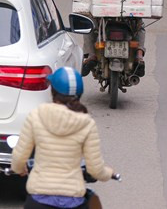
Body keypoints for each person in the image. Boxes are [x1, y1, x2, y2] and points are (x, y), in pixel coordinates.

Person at [11, 67, 117, 209]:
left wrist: (19, 168)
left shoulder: (36, 116)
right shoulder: (87, 123)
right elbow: (95, 170)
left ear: (53, 92)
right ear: (79, 95)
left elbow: (19, 159)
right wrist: (109, 173)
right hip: (73, 200)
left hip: (38, 200)